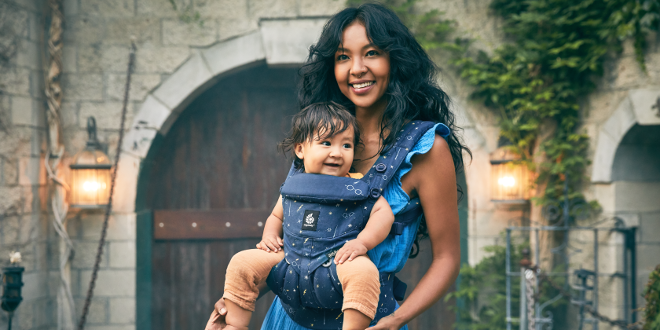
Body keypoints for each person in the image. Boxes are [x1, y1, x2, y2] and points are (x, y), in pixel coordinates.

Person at [206, 3, 469, 330]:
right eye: (343, 57)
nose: (356, 68)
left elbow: (447, 259)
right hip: (286, 320)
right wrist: (235, 300)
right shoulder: (318, 139)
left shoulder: (426, 149)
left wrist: (397, 319)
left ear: (396, 60)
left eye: (371, 53)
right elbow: (299, 252)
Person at [222, 102, 395, 330]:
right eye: (326, 143)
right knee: (241, 262)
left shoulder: (355, 185)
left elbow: (384, 214)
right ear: (300, 149)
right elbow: (276, 215)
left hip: (338, 262)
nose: (337, 152)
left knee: (364, 273)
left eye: (346, 145)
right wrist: (270, 235)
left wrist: (362, 243)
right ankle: (235, 325)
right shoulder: (295, 185)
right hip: (290, 260)